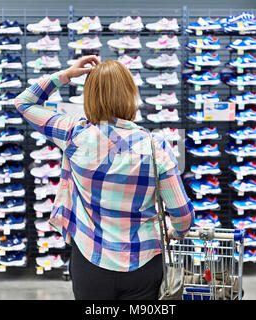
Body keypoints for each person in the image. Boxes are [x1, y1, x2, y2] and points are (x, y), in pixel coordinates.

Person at [15, 55, 194, 300]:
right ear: (131, 94)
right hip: (143, 262)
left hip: (90, 261)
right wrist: (176, 231)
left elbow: (24, 102)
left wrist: (67, 74)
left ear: (90, 97)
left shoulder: (73, 134)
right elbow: (182, 213)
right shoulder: (156, 147)